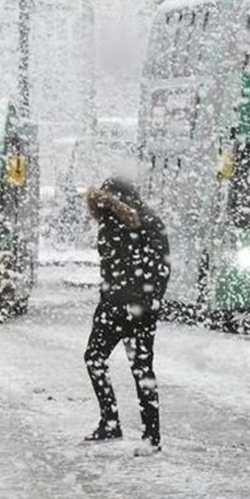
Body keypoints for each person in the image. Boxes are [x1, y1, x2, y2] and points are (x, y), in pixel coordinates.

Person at [82, 177, 170, 456]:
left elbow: (112, 270)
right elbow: (161, 269)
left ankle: (110, 420)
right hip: (139, 309)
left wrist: (111, 300)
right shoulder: (151, 222)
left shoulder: (112, 222)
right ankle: (151, 436)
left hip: (116, 308)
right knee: (142, 370)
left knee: (95, 358)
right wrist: (151, 302)